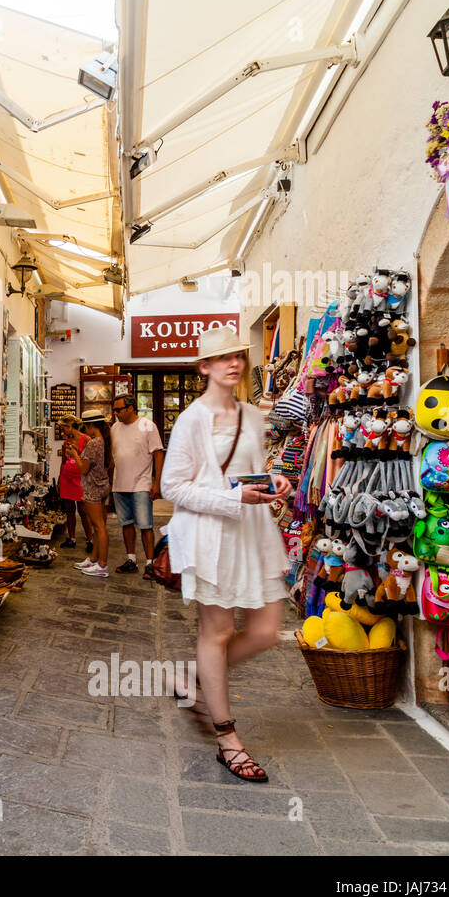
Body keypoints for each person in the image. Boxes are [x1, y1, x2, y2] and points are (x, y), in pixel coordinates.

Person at [160, 326, 292, 784]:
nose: (233, 364)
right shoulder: (192, 420)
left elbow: (252, 470)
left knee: (267, 632)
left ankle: (193, 675)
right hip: (213, 537)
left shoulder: (254, 416)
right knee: (217, 632)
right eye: (221, 358)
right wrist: (233, 500)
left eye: (237, 355)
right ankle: (227, 739)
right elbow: (172, 486)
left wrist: (273, 481)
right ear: (204, 367)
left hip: (254, 534)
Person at [109, 395, 165, 578]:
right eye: (114, 409)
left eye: (118, 409)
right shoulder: (114, 428)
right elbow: (113, 457)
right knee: (126, 524)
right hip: (119, 483)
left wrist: (157, 483)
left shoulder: (148, 426)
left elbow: (158, 454)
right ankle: (131, 559)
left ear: (130, 408)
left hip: (141, 483)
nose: (115, 413)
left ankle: (150, 563)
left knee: (145, 525)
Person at [68, 411, 112, 577]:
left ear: (91, 425)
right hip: (102, 485)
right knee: (98, 525)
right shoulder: (105, 441)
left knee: (99, 526)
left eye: (85, 426)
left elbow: (84, 468)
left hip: (93, 487)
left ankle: (102, 564)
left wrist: (75, 455)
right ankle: (94, 559)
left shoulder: (93, 443)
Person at [55, 416, 91, 549]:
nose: (62, 430)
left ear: (71, 426)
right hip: (66, 477)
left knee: (83, 510)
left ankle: (90, 539)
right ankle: (72, 538)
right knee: (69, 509)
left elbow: (90, 460)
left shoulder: (86, 440)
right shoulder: (66, 442)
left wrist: (77, 451)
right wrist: (59, 479)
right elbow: (63, 461)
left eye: (64, 427)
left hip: (80, 478)